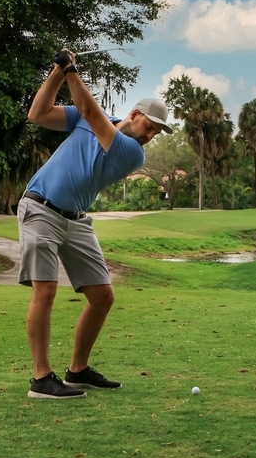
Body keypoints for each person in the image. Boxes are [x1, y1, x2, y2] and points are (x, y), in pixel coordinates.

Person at [18, 48, 172, 399]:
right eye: (149, 127)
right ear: (135, 114)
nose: (150, 136)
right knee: (45, 289)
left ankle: (78, 371)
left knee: (102, 296)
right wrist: (57, 72)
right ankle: (42, 379)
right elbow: (37, 113)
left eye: (156, 133)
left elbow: (89, 110)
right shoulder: (88, 119)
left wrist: (71, 69)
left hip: (76, 220)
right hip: (40, 207)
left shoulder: (132, 152)